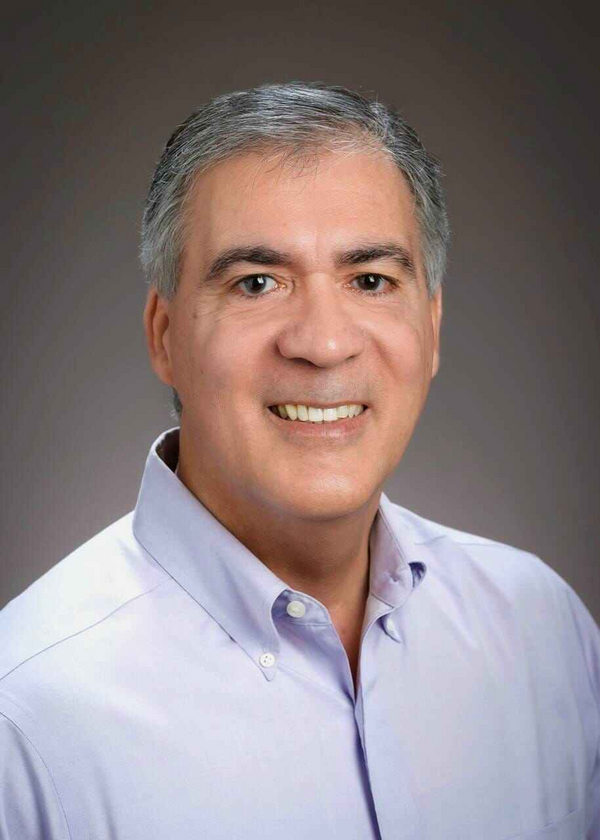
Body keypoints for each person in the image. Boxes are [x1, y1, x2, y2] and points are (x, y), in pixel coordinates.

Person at [0, 81, 598, 840]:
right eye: (257, 283)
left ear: (432, 327)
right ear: (164, 335)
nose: (323, 342)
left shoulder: (546, 633)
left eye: (371, 281)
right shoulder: (25, 721)